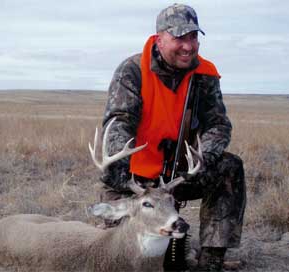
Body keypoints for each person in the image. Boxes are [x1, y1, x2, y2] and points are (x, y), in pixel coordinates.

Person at [100, 3, 246, 272]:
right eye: (179, 37)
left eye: (193, 37)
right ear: (160, 38)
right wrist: (121, 170)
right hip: (136, 182)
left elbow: (218, 124)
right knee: (124, 257)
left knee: (229, 167)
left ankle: (212, 258)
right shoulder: (132, 71)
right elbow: (119, 121)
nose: (188, 46)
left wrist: (204, 159)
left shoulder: (205, 74)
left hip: (179, 175)